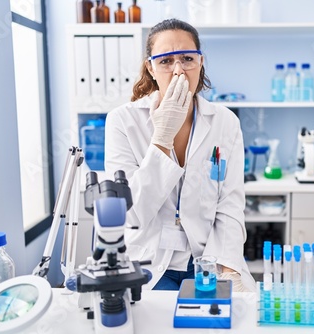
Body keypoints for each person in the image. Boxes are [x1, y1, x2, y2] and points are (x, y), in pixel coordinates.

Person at [105, 18, 256, 292]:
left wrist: (229, 268)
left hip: (207, 259)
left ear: (200, 63)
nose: (178, 71)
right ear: (150, 67)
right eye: (165, 61)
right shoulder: (122, 121)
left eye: (187, 58)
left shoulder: (225, 122)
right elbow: (132, 213)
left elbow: (230, 206)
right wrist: (161, 139)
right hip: (147, 262)